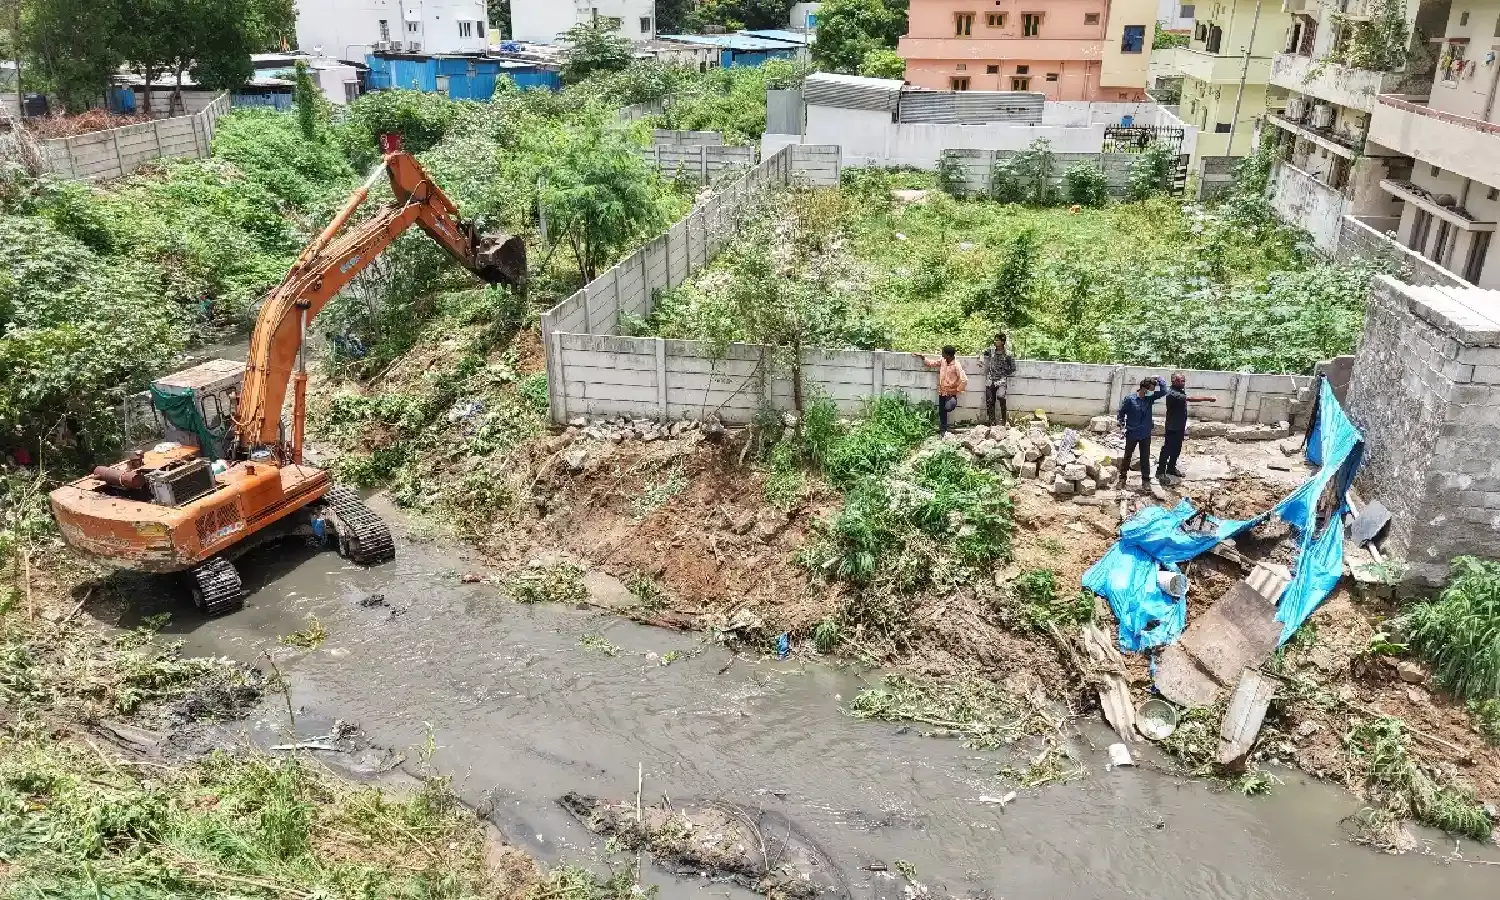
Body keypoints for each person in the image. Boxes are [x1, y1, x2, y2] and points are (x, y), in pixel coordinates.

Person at [1157, 372, 1219, 481]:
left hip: (1180, 425)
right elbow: (1190, 399)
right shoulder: (1172, 393)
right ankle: (1160, 472)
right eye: (1179, 381)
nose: (1182, 383)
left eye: (1183, 380)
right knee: (1167, 449)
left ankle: (1171, 468)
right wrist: (1209, 398)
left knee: (1177, 449)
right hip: (1172, 426)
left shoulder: (1179, 390)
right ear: (1173, 381)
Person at [1117, 376, 1167, 491]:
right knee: (1127, 456)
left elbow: (1164, 391)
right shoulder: (1130, 399)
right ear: (1144, 388)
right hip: (1132, 432)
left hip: (1145, 433)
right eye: (1151, 390)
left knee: (1145, 457)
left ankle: (1145, 481)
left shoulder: (1150, 398)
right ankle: (1122, 479)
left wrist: (1159, 378)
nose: (1153, 392)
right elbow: (1121, 412)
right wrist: (1121, 423)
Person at [914, 346, 969, 435]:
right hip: (942, 391)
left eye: (943, 353)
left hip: (950, 393)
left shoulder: (956, 365)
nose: (942, 354)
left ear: (948, 355)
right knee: (942, 412)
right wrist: (922, 357)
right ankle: (943, 429)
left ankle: (952, 403)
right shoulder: (943, 360)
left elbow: (964, 380)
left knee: (948, 407)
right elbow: (933, 363)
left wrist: (957, 390)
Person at [979, 332, 1017, 426]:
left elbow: (1013, 368)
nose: (995, 342)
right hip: (991, 379)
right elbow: (982, 352)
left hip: (1001, 380)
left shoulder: (1008, 354)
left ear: (1003, 342)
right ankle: (992, 422)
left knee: (1001, 397)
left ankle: (1004, 420)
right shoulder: (991, 350)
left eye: (998, 340)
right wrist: (981, 359)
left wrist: (1003, 374)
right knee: (990, 401)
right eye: (995, 339)